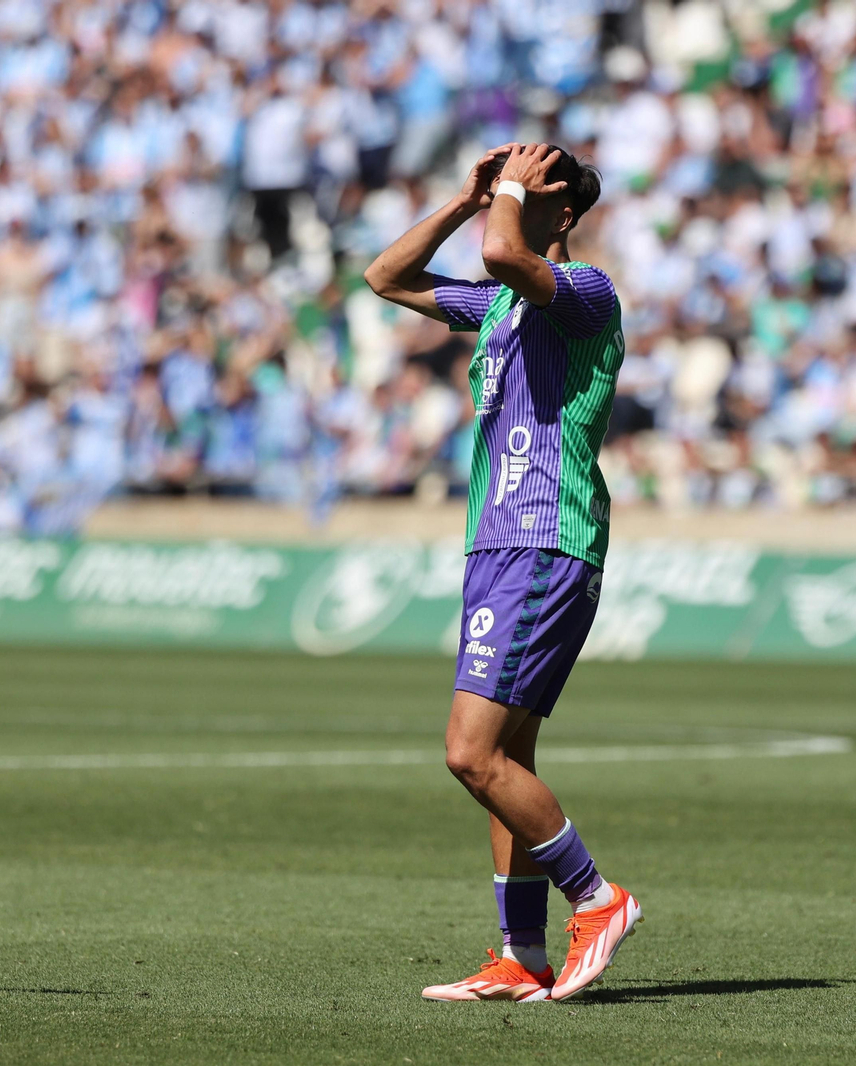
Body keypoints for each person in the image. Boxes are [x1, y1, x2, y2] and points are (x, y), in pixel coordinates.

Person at [363, 143, 635, 1003]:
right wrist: (464, 196)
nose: (501, 211)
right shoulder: (496, 310)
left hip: (546, 538)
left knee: (468, 754)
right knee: (506, 758)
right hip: (495, 546)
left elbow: (503, 253)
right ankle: (522, 954)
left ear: (561, 211)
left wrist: (509, 197)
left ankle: (599, 900)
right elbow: (385, 275)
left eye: (524, 197)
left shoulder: (585, 293)